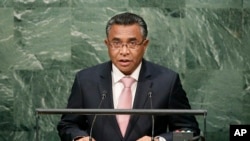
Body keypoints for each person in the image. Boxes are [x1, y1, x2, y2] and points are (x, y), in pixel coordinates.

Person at [57, 12, 200, 141]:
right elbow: (68, 125)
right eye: (116, 43)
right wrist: (79, 138)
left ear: (145, 45)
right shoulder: (86, 80)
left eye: (132, 43)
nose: (124, 51)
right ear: (107, 44)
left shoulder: (167, 81)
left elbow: (190, 132)